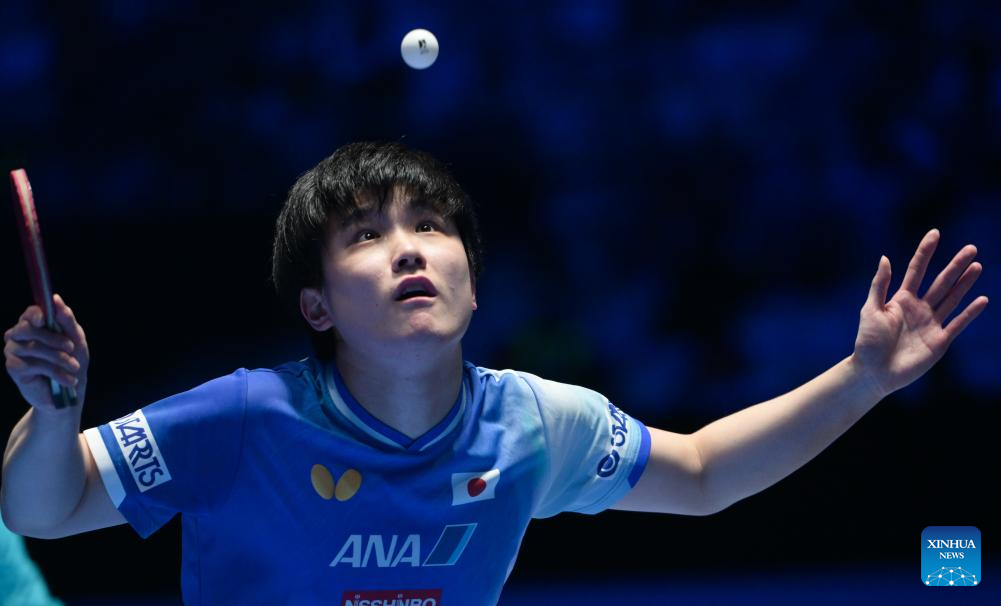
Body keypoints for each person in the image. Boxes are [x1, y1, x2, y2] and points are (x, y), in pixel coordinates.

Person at [1, 142, 988, 605]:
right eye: (364, 235)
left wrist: (861, 380)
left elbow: (700, 474)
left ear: (472, 288)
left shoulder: (532, 423)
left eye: (430, 227)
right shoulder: (245, 418)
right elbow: (44, 509)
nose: (408, 248)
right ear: (316, 307)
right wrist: (52, 417)